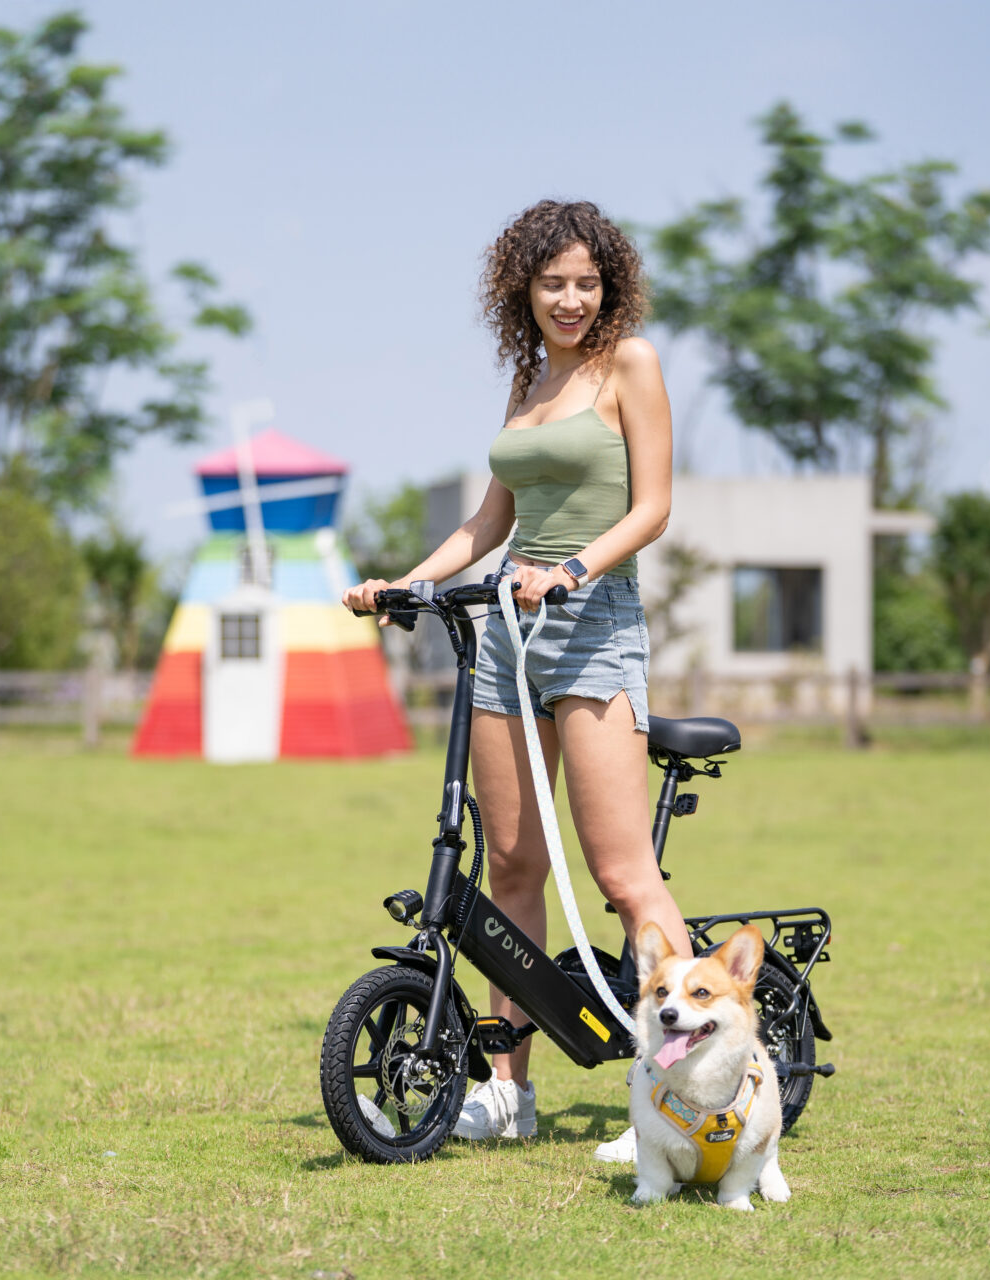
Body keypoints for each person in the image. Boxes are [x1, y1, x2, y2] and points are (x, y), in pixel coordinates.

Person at [342, 199, 689, 1161]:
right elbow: (489, 525)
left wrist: (574, 568)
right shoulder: (527, 382)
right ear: (522, 291)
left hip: (591, 626)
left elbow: (654, 507)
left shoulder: (631, 365)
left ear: (610, 286)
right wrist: (405, 585)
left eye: (587, 283)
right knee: (512, 868)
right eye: (552, 284)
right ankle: (508, 1091)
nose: (571, 300)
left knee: (622, 874)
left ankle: (688, 1092)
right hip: (506, 632)